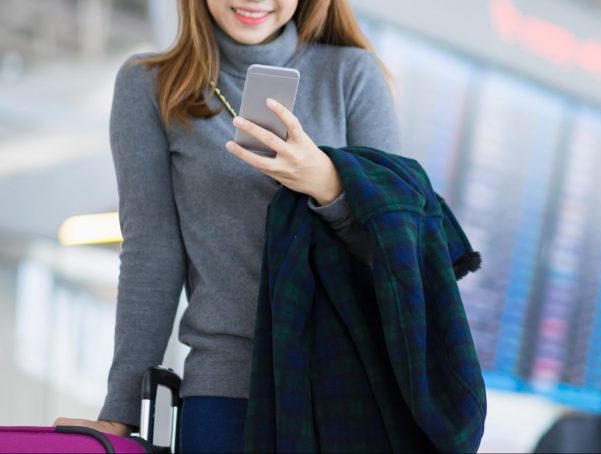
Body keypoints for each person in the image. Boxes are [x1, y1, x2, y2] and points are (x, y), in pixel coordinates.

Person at [54, 0, 401, 451]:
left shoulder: (352, 75)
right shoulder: (150, 86)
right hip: (223, 395)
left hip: (343, 390)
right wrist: (120, 410)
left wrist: (328, 187)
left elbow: (399, 248)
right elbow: (151, 254)